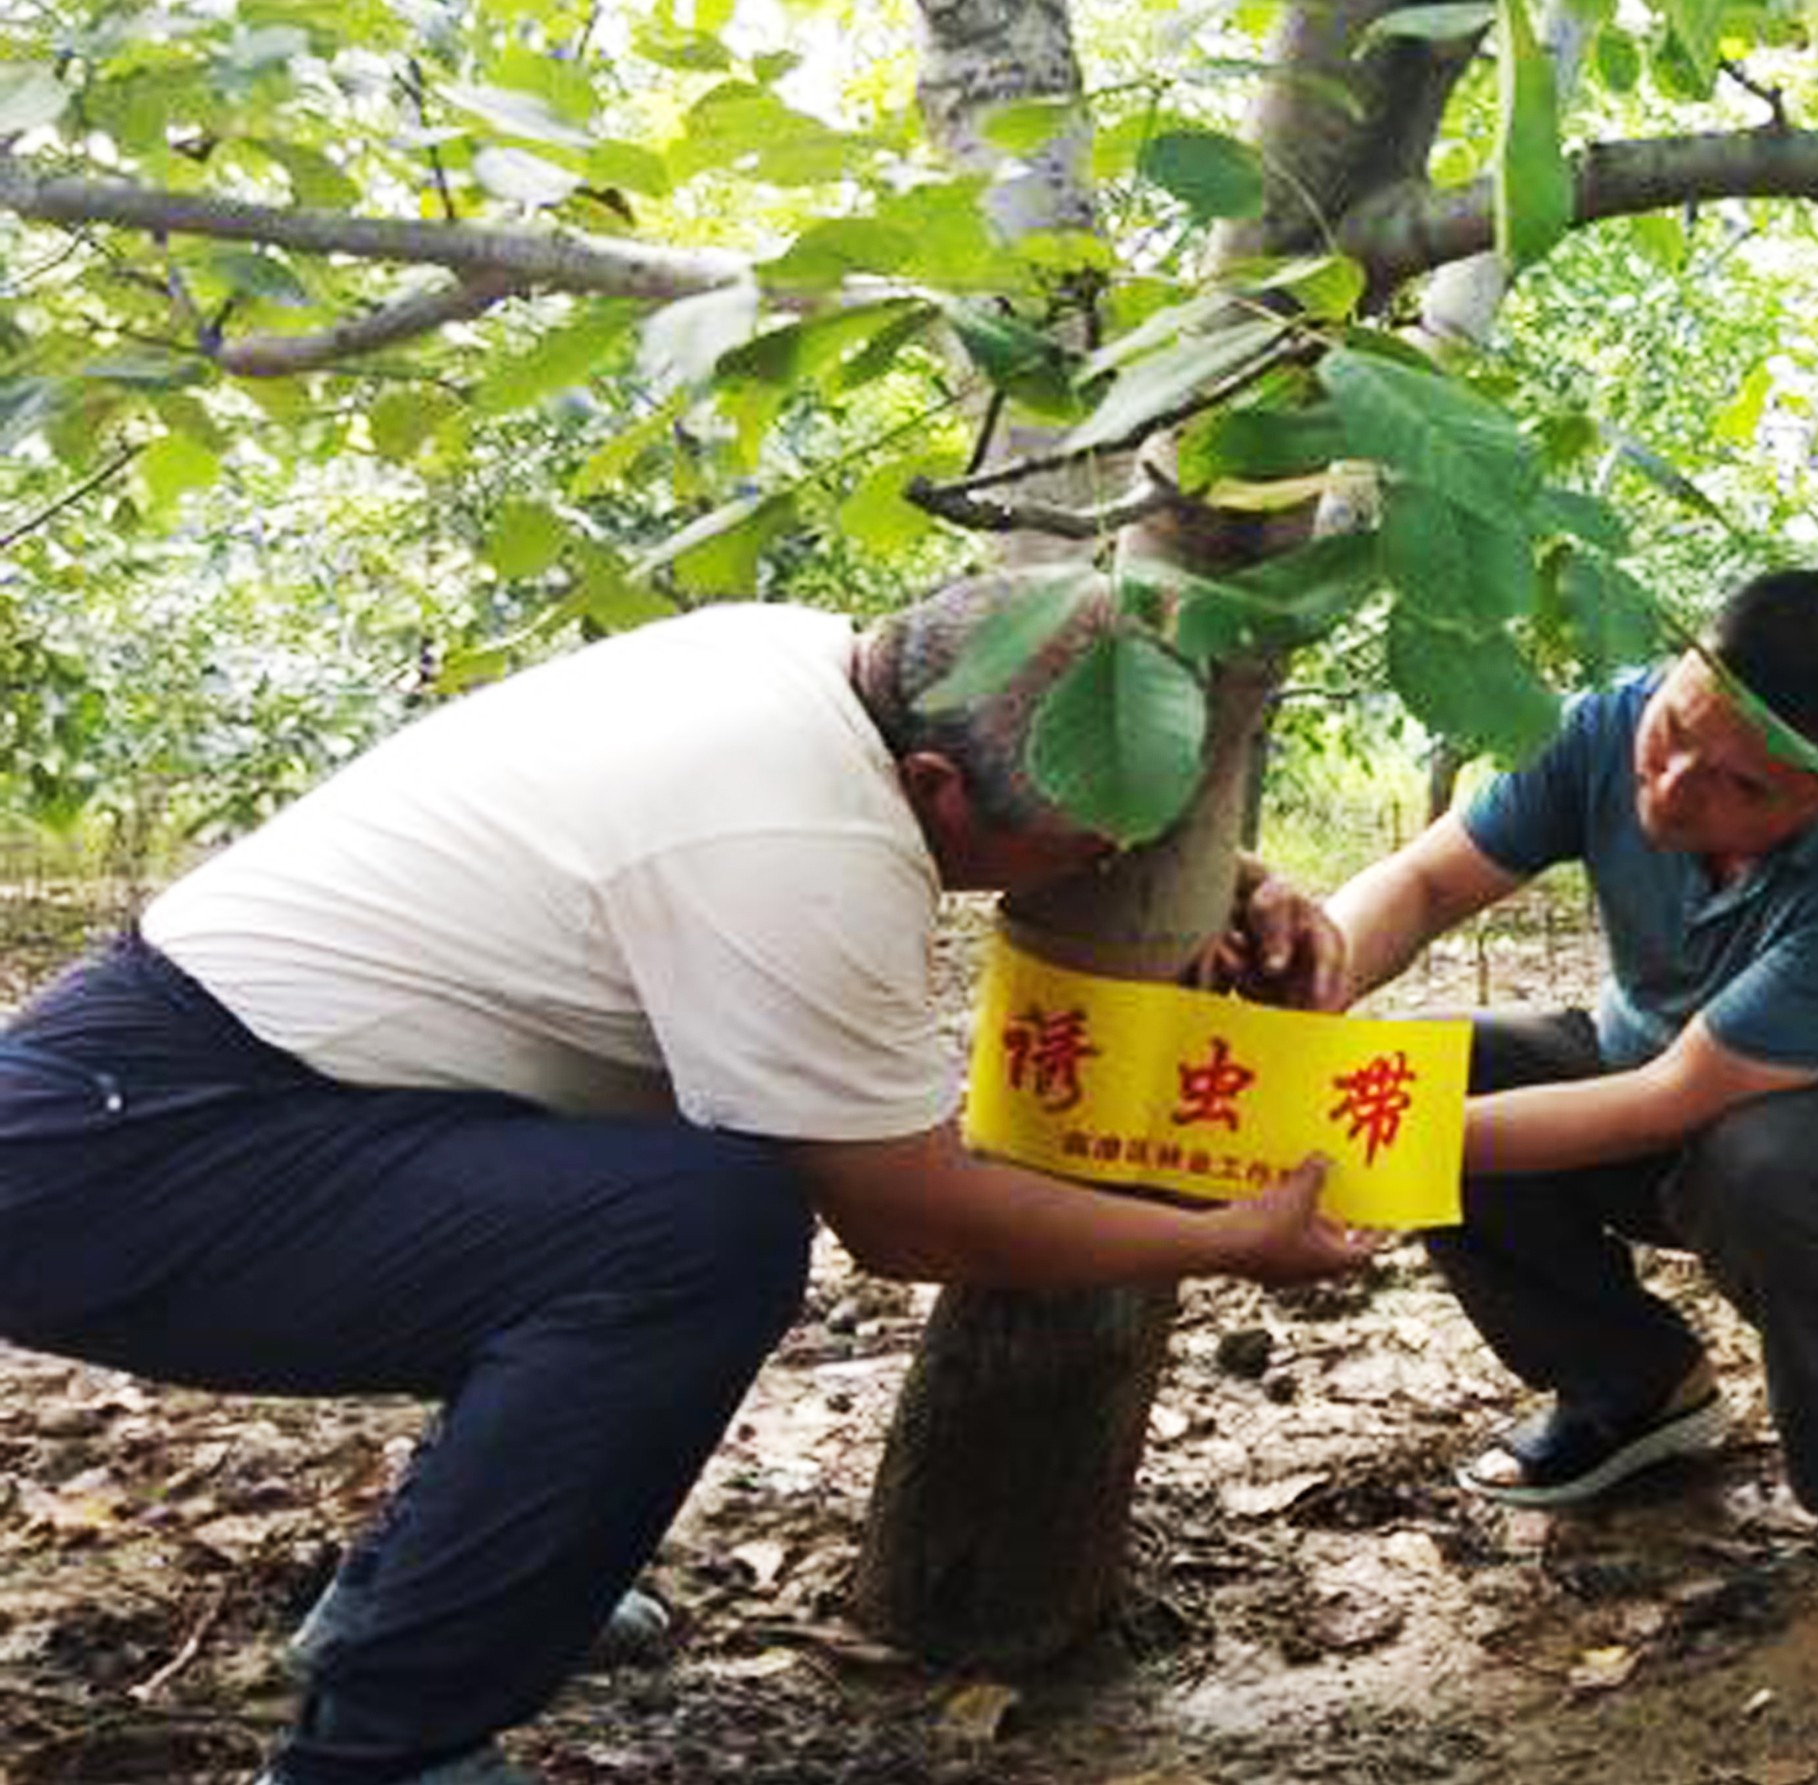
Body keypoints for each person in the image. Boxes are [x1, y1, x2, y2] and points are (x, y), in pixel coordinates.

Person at [0, 574, 1379, 1785]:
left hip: (237, 1091)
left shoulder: (807, 666)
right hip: (136, 1150)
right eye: (1096, 843)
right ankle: (385, 1744)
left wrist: (1222, 874)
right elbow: (906, 1219)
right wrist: (1224, 1239)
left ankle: (420, 1602)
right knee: (691, 1238)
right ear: (936, 793)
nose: (1117, 863)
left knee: (658, 1213)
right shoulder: (804, 843)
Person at [1305, 569, 1818, 1584]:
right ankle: (1632, 1387)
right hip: (1659, 1089)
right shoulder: (1605, 725)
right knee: (1433, 1069)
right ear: (1679, 668)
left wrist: (1374, 1135)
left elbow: (1670, 1103)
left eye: (1742, 787)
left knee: (1765, 1156)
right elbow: (1425, 883)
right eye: (1677, 727)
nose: (1675, 785)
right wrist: (1306, 990)